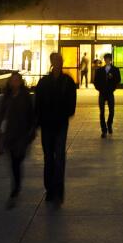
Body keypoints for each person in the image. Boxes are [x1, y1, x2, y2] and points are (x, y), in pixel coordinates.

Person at [34, 52, 77, 205]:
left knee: (59, 156)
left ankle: (57, 190)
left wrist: (65, 113)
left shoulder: (68, 81)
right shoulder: (44, 82)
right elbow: (37, 103)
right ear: (52, 62)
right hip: (47, 124)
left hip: (60, 124)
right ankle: (50, 190)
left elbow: (72, 103)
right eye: (55, 60)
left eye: (60, 60)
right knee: (49, 157)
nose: (58, 62)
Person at [0, 71, 36, 207]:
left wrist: (32, 131)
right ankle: (15, 187)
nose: (15, 83)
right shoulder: (6, 97)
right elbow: (0, 115)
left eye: (17, 80)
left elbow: (32, 115)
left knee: (18, 160)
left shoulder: (26, 97)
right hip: (10, 134)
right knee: (13, 162)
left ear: (21, 82)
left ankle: (16, 186)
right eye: (13, 80)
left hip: (22, 135)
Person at [92, 51, 121, 138]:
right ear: (104, 60)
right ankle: (104, 130)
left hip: (110, 92)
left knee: (111, 111)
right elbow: (95, 81)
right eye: (106, 59)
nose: (107, 60)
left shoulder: (115, 69)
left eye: (109, 59)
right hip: (102, 93)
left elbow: (118, 80)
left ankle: (109, 124)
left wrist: (113, 85)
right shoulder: (100, 70)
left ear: (110, 60)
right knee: (102, 112)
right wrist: (99, 88)